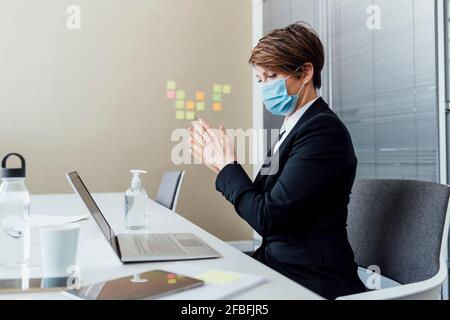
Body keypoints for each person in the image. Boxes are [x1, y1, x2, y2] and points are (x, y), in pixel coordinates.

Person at [188, 22, 366, 299]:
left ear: (306, 72)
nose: (264, 87)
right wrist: (221, 166)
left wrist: (227, 167)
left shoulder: (323, 132)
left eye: (271, 76)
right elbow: (264, 204)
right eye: (259, 79)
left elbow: (268, 219)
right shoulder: (295, 127)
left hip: (311, 280)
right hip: (277, 267)